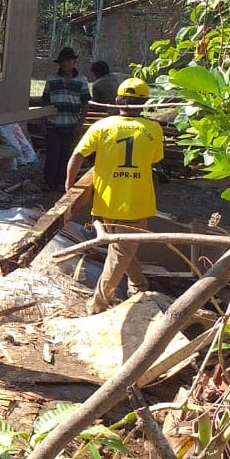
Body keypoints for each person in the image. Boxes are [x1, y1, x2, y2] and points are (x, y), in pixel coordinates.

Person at [64, 78, 163, 314]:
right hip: (136, 204)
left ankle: (135, 287)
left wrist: (70, 185)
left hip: (106, 201)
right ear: (145, 103)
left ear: (117, 100)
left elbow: (77, 155)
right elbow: (155, 159)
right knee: (121, 252)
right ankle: (99, 304)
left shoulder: (102, 126)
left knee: (121, 249)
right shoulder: (153, 129)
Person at [41, 47, 91, 191]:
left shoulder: (81, 80)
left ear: (73, 62)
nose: (65, 64)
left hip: (71, 123)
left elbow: (85, 102)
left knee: (66, 154)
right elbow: (45, 100)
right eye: (62, 62)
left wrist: (80, 123)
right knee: (52, 154)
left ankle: (62, 182)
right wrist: (44, 120)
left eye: (68, 61)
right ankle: (48, 182)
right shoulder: (52, 79)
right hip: (53, 122)